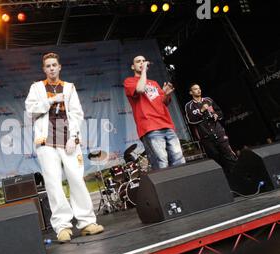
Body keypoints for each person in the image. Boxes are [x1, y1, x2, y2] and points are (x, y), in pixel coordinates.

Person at [25, 52, 104, 243]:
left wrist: (74, 136)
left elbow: (77, 114)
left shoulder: (69, 87)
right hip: (46, 139)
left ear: (60, 67)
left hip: (68, 138)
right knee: (53, 182)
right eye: (48, 66)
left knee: (76, 179)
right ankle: (62, 226)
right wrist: (49, 101)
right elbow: (30, 110)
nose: (52, 68)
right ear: (44, 69)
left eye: (54, 65)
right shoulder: (36, 87)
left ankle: (86, 222)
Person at [123, 55, 186, 170]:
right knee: (161, 162)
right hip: (150, 127)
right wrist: (143, 73)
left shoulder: (154, 83)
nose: (142, 63)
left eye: (144, 61)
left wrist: (166, 94)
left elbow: (164, 102)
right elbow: (140, 89)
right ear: (133, 67)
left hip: (166, 124)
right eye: (138, 61)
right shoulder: (129, 81)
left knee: (179, 159)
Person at [185, 84, 237, 174]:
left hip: (218, 132)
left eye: (199, 88)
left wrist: (217, 115)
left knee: (229, 155)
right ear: (191, 92)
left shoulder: (208, 100)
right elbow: (190, 120)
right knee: (216, 159)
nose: (199, 90)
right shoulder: (189, 106)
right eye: (195, 89)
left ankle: (238, 175)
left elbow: (219, 112)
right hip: (206, 137)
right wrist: (201, 111)